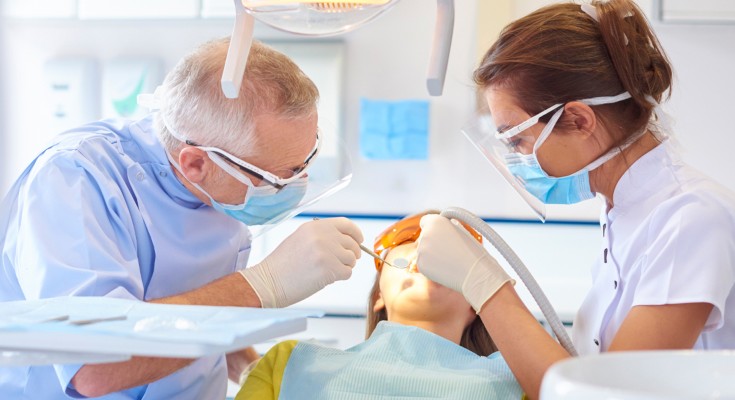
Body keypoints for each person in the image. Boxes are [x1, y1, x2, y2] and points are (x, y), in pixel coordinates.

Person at [0, 38, 363, 399]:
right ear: (196, 163)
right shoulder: (74, 182)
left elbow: (196, 305)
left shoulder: (222, 185)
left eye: (306, 162)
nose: (296, 184)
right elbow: (95, 368)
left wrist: (252, 368)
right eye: (275, 179)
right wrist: (262, 286)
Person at [416, 1, 735, 399]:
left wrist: (484, 284)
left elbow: (612, 394)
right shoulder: (623, 210)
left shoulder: (692, 218)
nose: (516, 158)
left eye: (516, 139)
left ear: (580, 120)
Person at [235, 211, 523, 400]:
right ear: (379, 297)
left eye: (445, 266)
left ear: (476, 304)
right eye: (404, 259)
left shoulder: (522, 378)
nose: (420, 262)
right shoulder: (288, 363)